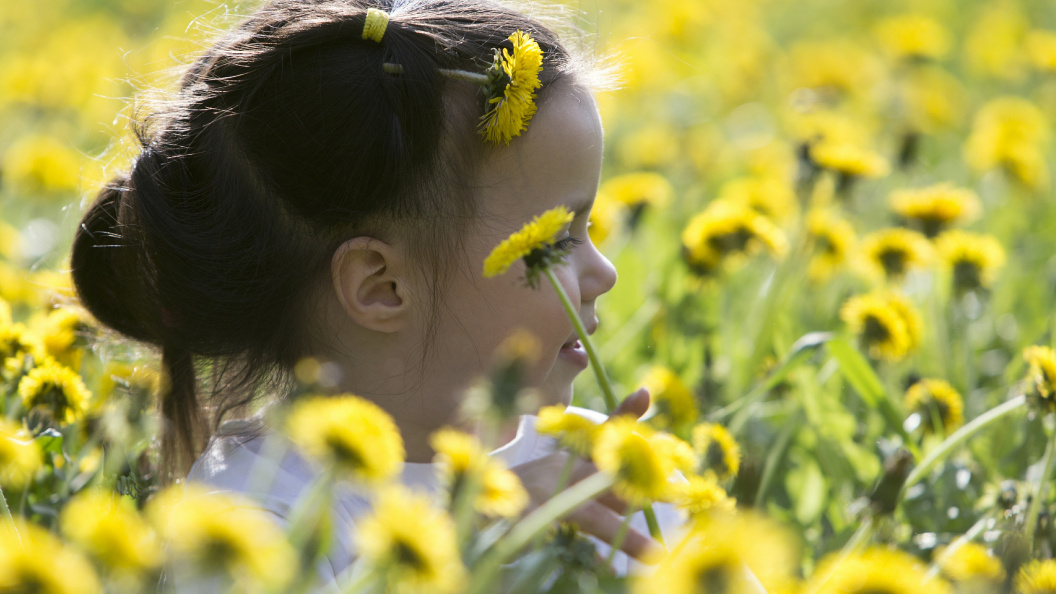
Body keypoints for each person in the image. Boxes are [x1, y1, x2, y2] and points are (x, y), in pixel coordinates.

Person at [70, 0, 683, 586]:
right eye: (554, 241)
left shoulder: (592, 475)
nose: (606, 273)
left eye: (587, 228)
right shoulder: (249, 517)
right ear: (382, 286)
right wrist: (485, 550)